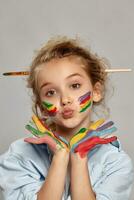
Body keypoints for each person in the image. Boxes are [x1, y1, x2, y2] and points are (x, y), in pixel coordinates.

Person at [0, 36, 134, 200]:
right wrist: (60, 156)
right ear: (42, 106)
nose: (65, 99)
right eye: (51, 92)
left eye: (75, 86)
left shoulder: (115, 163)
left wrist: (79, 157)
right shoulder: (19, 156)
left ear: (96, 91)